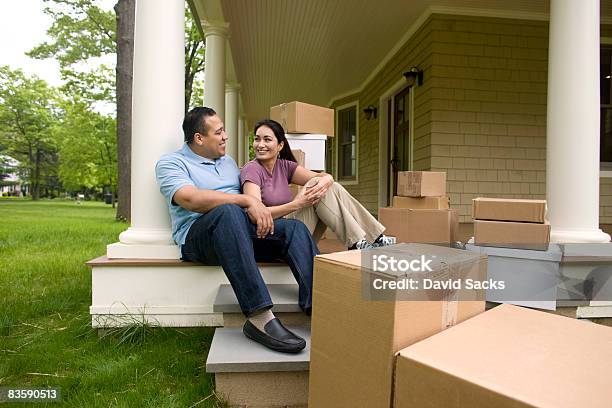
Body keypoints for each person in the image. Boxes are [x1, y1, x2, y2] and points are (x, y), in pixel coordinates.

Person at [155, 107, 318, 354]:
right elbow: (190, 199)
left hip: (240, 231)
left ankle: (318, 307)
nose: (225, 136)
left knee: (294, 229)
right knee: (229, 212)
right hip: (199, 238)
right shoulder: (171, 163)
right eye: (219, 132)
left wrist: (259, 209)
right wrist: (247, 202)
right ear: (199, 138)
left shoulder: (228, 162)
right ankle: (260, 318)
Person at [240, 119, 395, 250]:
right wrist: (297, 204)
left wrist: (328, 179)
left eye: (267, 139)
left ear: (280, 145)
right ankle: (363, 241)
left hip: (293, 231)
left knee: (326, 185)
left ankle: (373, 239)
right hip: (271, 236)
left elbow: (322, 178)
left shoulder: (284, 166)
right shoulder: (252, 169)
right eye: (257, 139)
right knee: (317, 185)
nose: (260, 144)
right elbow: (256, 216)